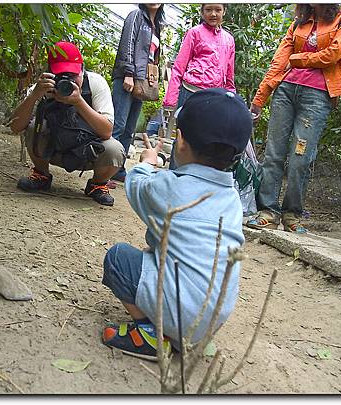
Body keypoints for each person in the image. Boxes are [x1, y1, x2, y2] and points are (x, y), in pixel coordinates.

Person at [100, 89, 252, 360]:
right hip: (211, 319)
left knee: (118, 259)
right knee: (159, 255)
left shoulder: (169, 188)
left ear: (180, 142)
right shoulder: (232, 200)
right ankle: (183, 334)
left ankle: (151, 334)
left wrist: (147, 163)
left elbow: (136, 186)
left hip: (182, 311)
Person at [247, 4, 341, 233]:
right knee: (273, 153)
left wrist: (298, 59)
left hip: (317, 96)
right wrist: (260, 97)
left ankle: (292, 214)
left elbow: (334, 53)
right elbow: (279, 63)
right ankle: (268, 211)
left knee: (301, 156)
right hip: (285, 91)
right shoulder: (298, 22)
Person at [9, 41, 125, 206]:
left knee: (115, 149)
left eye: (73, 76)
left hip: (87, 151)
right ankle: (41, 175)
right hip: (53, 148)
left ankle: (97, 184)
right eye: (61, 75)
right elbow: (15, 127)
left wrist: (79, 102)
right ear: (50, 73)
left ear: (82, 69)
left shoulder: (95, 83)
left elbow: (107, 132)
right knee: (33, 126)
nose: (68, 81)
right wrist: (35, 95)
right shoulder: (43, 87)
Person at [162, 4, 236, 170]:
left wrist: (232, 99)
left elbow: (229, 74)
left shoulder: (229, 40)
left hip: (214, 97)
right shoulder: (194, 33)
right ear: (202, 12)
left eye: (217, 10)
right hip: (190, 93)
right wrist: (171, 99)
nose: (213, 14)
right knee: (183, 138)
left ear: (224, 11)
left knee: (207, 141)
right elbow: (179, 67)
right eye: (208, 10)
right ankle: (174, 178)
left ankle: (193, 183)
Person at [110, 4, 165, 183]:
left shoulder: (157, 24)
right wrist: (128, 73)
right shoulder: (136, 16)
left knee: (129, 128)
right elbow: (127, 44)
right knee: (117, 125)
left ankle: (118, 168)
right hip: (128, 78)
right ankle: (104, 169)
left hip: (141, 81)